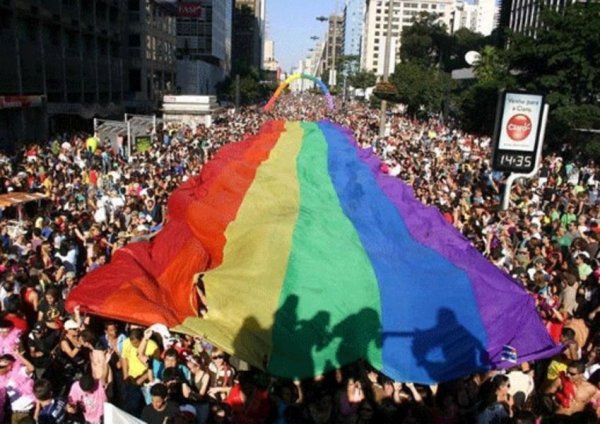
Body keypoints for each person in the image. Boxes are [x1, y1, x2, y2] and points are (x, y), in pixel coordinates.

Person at [0, 353, 36, 424]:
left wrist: (17, 355)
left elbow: (31, 368)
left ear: (10, 365)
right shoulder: (2, 379)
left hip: (27, 411)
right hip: (14, 414)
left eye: (1, 367)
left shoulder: (20, 372)